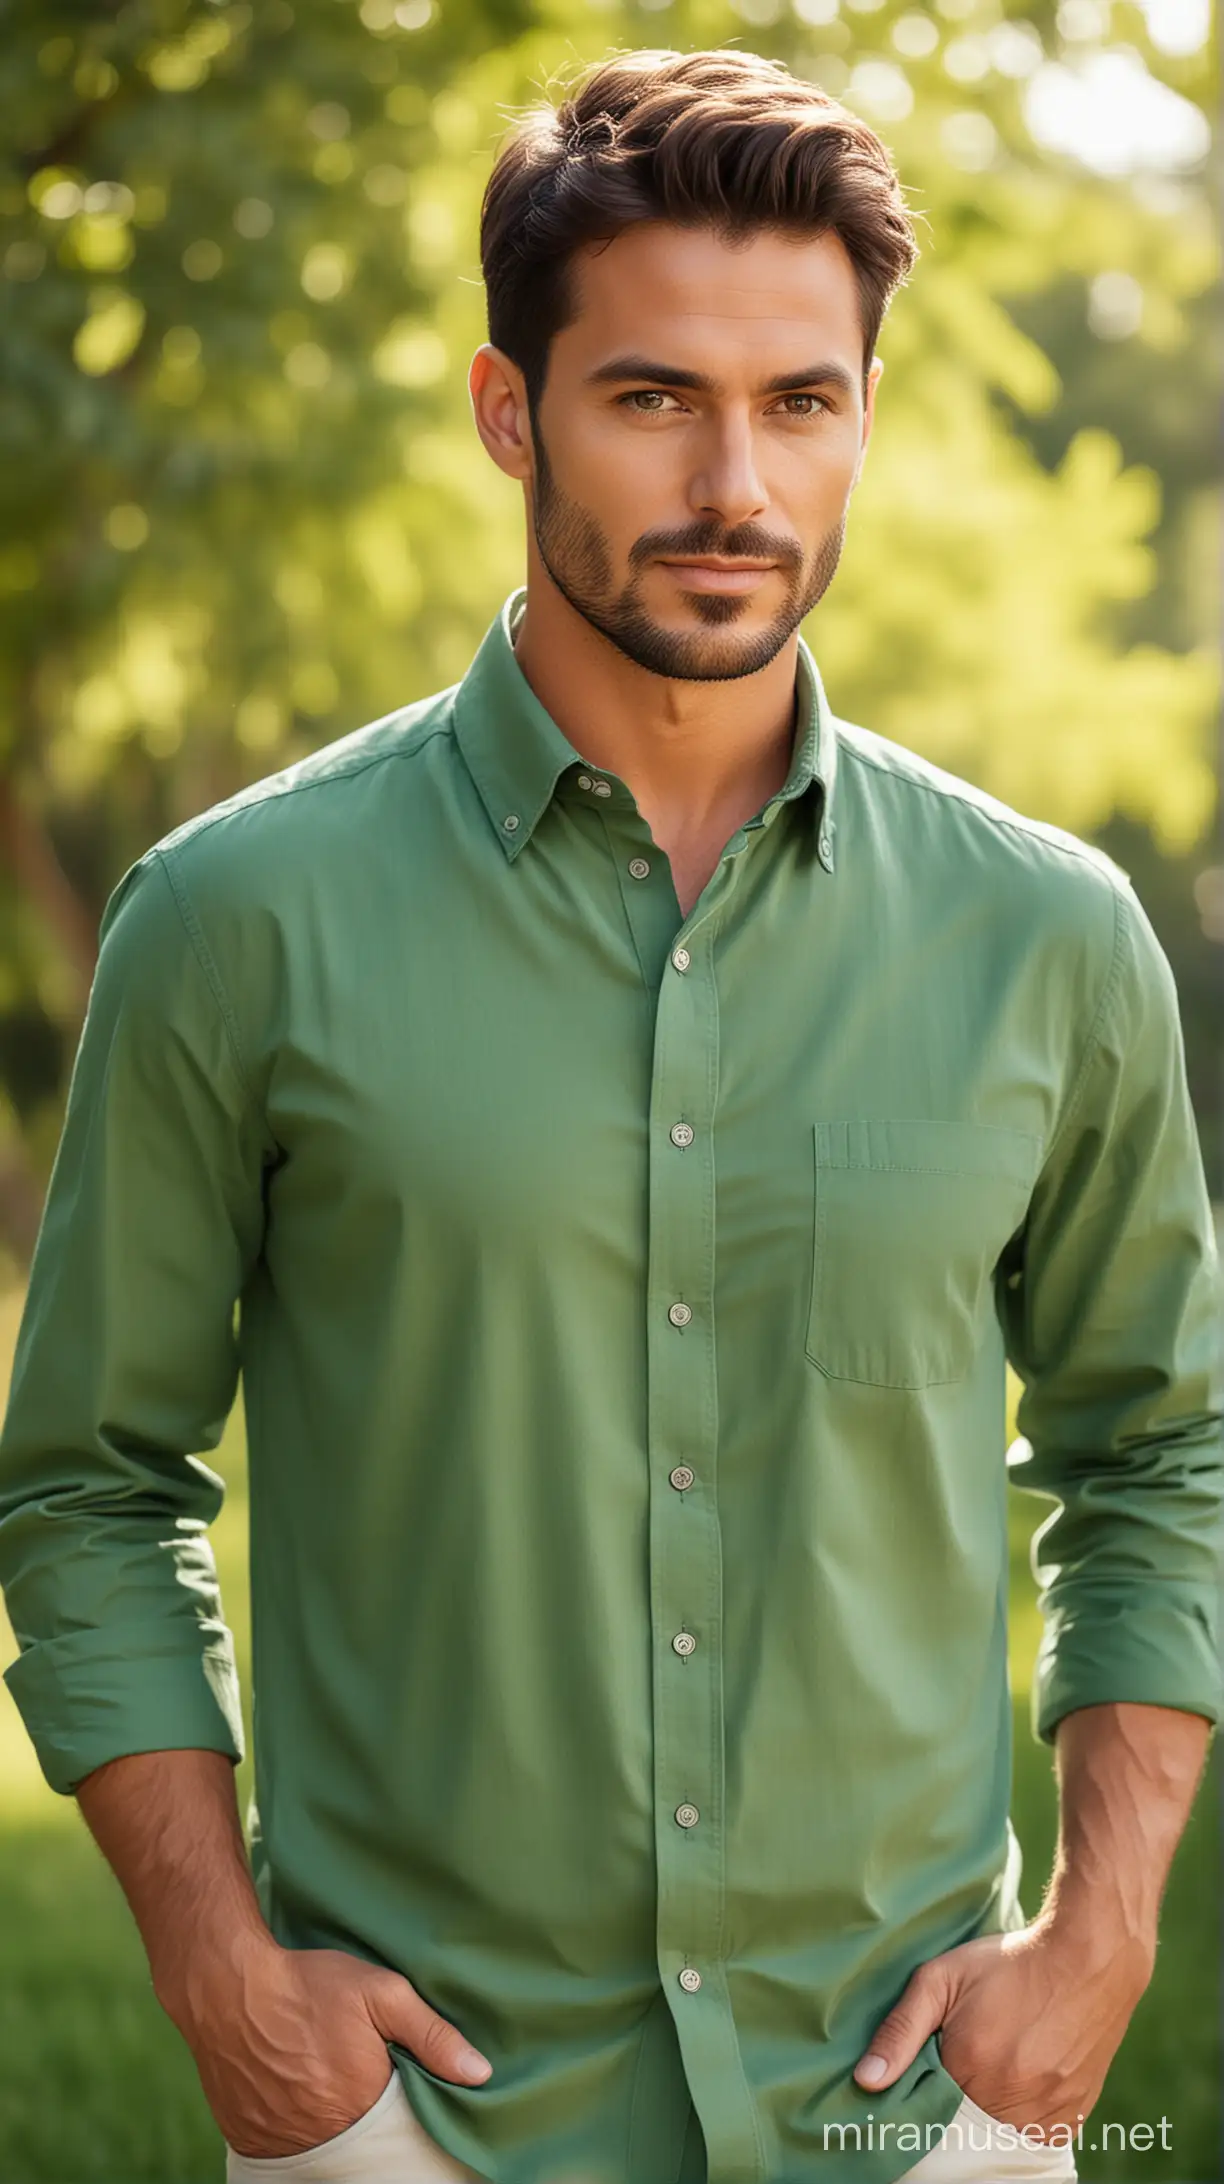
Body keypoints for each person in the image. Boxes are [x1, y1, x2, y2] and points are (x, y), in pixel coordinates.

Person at [1, 45, 1220, 2184]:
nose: (736, 482)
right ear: (510, 413)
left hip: (915, 2130)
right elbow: (90, 1483)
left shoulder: (1047, 939)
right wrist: (228, 1989)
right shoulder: (236, 923)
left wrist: (1097, 1948)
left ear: (862, 417)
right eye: (654, 398)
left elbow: (1163, 1443)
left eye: (802, 402)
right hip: (417, 2139)